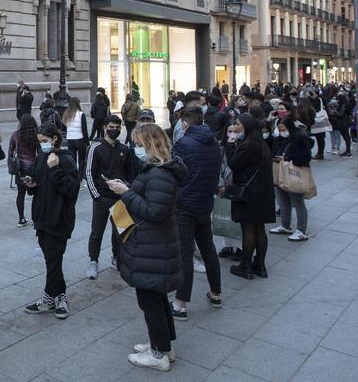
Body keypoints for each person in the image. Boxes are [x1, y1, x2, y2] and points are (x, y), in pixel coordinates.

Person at [104, 122, 185, 372]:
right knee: (155, 298)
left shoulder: (160, 174)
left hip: (153, 246)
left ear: (150, 145)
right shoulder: (156, 168)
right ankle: (163, 345)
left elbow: (154, 211)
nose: (134, 149)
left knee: (151, 301)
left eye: (138, 145)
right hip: (152, 245)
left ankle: (158, 353)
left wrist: (126, 192)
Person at [169, 107, 223, 320]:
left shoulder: (183, 144)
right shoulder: (214, 144)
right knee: (208, 247)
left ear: (185, 124)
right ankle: (216, 292)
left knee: (185, 254)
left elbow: (176, 172)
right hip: (205, 202)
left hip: (185, 205)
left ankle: (180, 303)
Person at [23, 123, 80, 319]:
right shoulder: (41, 159)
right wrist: (31, 184)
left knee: (54, 259)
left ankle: (54, 298)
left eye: (45, 141)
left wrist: (55, 170)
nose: (42, 145)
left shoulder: (66, 160)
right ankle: (57, 297)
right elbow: (38, 184)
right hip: (42, 217)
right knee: (51, 260)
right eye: (40, 142)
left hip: (59, 219)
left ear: (55, 139)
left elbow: (72, 190)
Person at [84, 115, 139, 279]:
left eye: (117, 127)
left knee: (121, 232)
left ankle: (117, 258)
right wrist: (97, 197)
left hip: (120, 198)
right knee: (97, 231)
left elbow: (130, 173)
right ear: (105, 127)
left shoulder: (124, 149)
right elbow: (89, 173)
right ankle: (93, 261)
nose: (114, 130)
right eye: (111, 127)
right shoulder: (96, 147)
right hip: (102, 197)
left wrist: (126, 189)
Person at [226, 114, 275, 280]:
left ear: (246, 126)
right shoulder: (260, 143)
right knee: (259, 229)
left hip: (249, 192)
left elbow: (234, 164)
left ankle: (245, 265)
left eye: (238, 124)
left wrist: (230, 145)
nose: (236, 126)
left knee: (248, 229)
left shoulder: (247, 146)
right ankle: (260, 265)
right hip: (263, 192)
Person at [270, 117, 312, 241]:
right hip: (280, 172)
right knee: (283, 201)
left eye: (284, 129)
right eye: (280, 129)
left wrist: (287, 158)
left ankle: (301, 230)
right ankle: (285, 225)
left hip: (294, 173)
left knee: (297, 202)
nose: (282, 131)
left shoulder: (299, 138)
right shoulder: (278, 140)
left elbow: (306, 156)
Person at [9, 115, 40, 227]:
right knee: (36, 194)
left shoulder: (16, 135)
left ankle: (21, 218)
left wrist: (11, 168)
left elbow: (10, 152)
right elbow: (40, 153)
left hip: (20, 169)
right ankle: (35, 219)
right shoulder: (36, 134)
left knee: (20, 194)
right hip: (33, 167)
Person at [62, 97, 90, 173]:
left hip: (70, 139)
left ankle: (73, 173)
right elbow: (84, 130)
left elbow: (63, 128)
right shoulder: (81, 114)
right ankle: (80, 175)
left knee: (72, 158)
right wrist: (87, 143)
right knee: (81, 159)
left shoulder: (66, 114)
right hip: (79, 139)